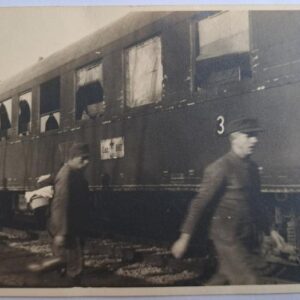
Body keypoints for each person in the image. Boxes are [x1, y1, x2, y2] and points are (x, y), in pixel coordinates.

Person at [171, 117, 285, 285]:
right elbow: (199, 203)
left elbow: (256, 203)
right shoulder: (221, 167)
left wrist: (272, 231)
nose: (255, 140)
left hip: (246, 236)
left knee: (222, 280)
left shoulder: (252, 168)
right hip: (227, 238)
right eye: (249, 135)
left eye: (256, 135)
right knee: (248, 282)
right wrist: (184, 239)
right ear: (234, 138)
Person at [28, 142, 90, 282]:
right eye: (83, 158)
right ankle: (43, 271)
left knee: (67, 261)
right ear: (73, 157)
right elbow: (60, 205)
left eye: (88, 158)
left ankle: (48, 270)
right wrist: (61, 232)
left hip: (72, 226)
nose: (87, 162)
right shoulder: (67, 175)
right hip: (67, 228)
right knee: (73, 267)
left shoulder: (75, 173)